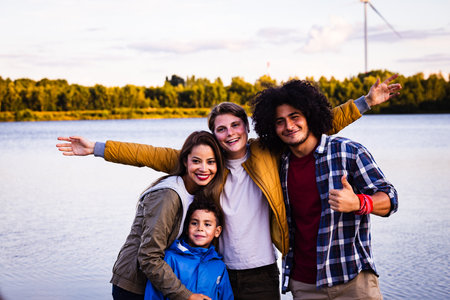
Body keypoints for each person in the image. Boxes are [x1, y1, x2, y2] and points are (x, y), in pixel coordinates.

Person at [56, 74, 401, 299]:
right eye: (221, 129)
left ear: (247, 127)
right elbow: (152, 155)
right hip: (216, 268)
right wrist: (97, 148)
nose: (231, 133)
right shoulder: (208, 165)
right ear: (214, 135)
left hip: (262, 271)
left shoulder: (267, 151)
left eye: (236, 125)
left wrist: (366, 102)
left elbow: (318, 124)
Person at [250, 79, 399, 299]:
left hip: (352, 280)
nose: (289, 126)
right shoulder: (278, 163)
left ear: (310, 116)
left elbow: (391, 199)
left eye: (295, 117)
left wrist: (359, 203)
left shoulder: (348, 152)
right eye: (280, 121)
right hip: (304, 285)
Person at [104, 131, 225, 300]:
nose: (204, 168)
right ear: (185, 161)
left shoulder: (196, 193)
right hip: (135, 287)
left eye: (210, 162)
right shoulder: (169, 196)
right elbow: (149, 256)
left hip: (157, 285)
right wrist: (186, 295)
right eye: (196, 161)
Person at [145, 193, 233, 300]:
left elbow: (226, 297)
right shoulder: (170, 258)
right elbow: (153, 295)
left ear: (217, 231)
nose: (200, 228)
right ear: (186, 229)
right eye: (194, 223)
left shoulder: (219, 266)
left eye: (207, 224)